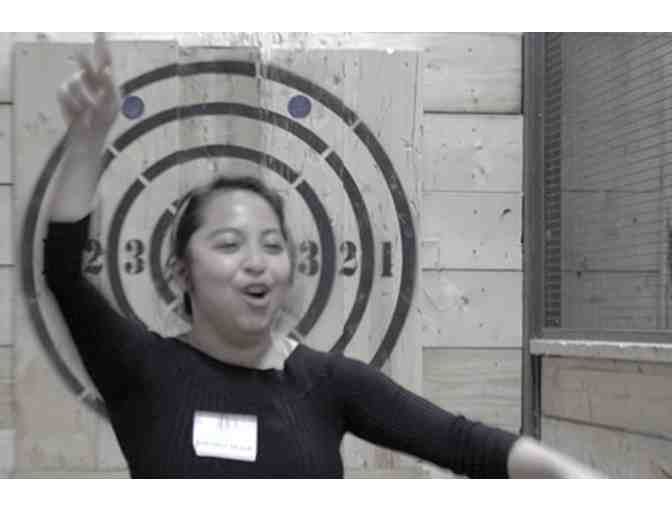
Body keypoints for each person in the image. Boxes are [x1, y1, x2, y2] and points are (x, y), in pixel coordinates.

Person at [44, 33, 602, 478]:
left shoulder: (325, 381)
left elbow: (462, 443)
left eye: (272, 244)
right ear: (181, 271)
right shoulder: (142, 370)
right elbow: (62, 272)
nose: (257, 261)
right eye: (229, 244)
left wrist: (580, 480)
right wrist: (89, 140)